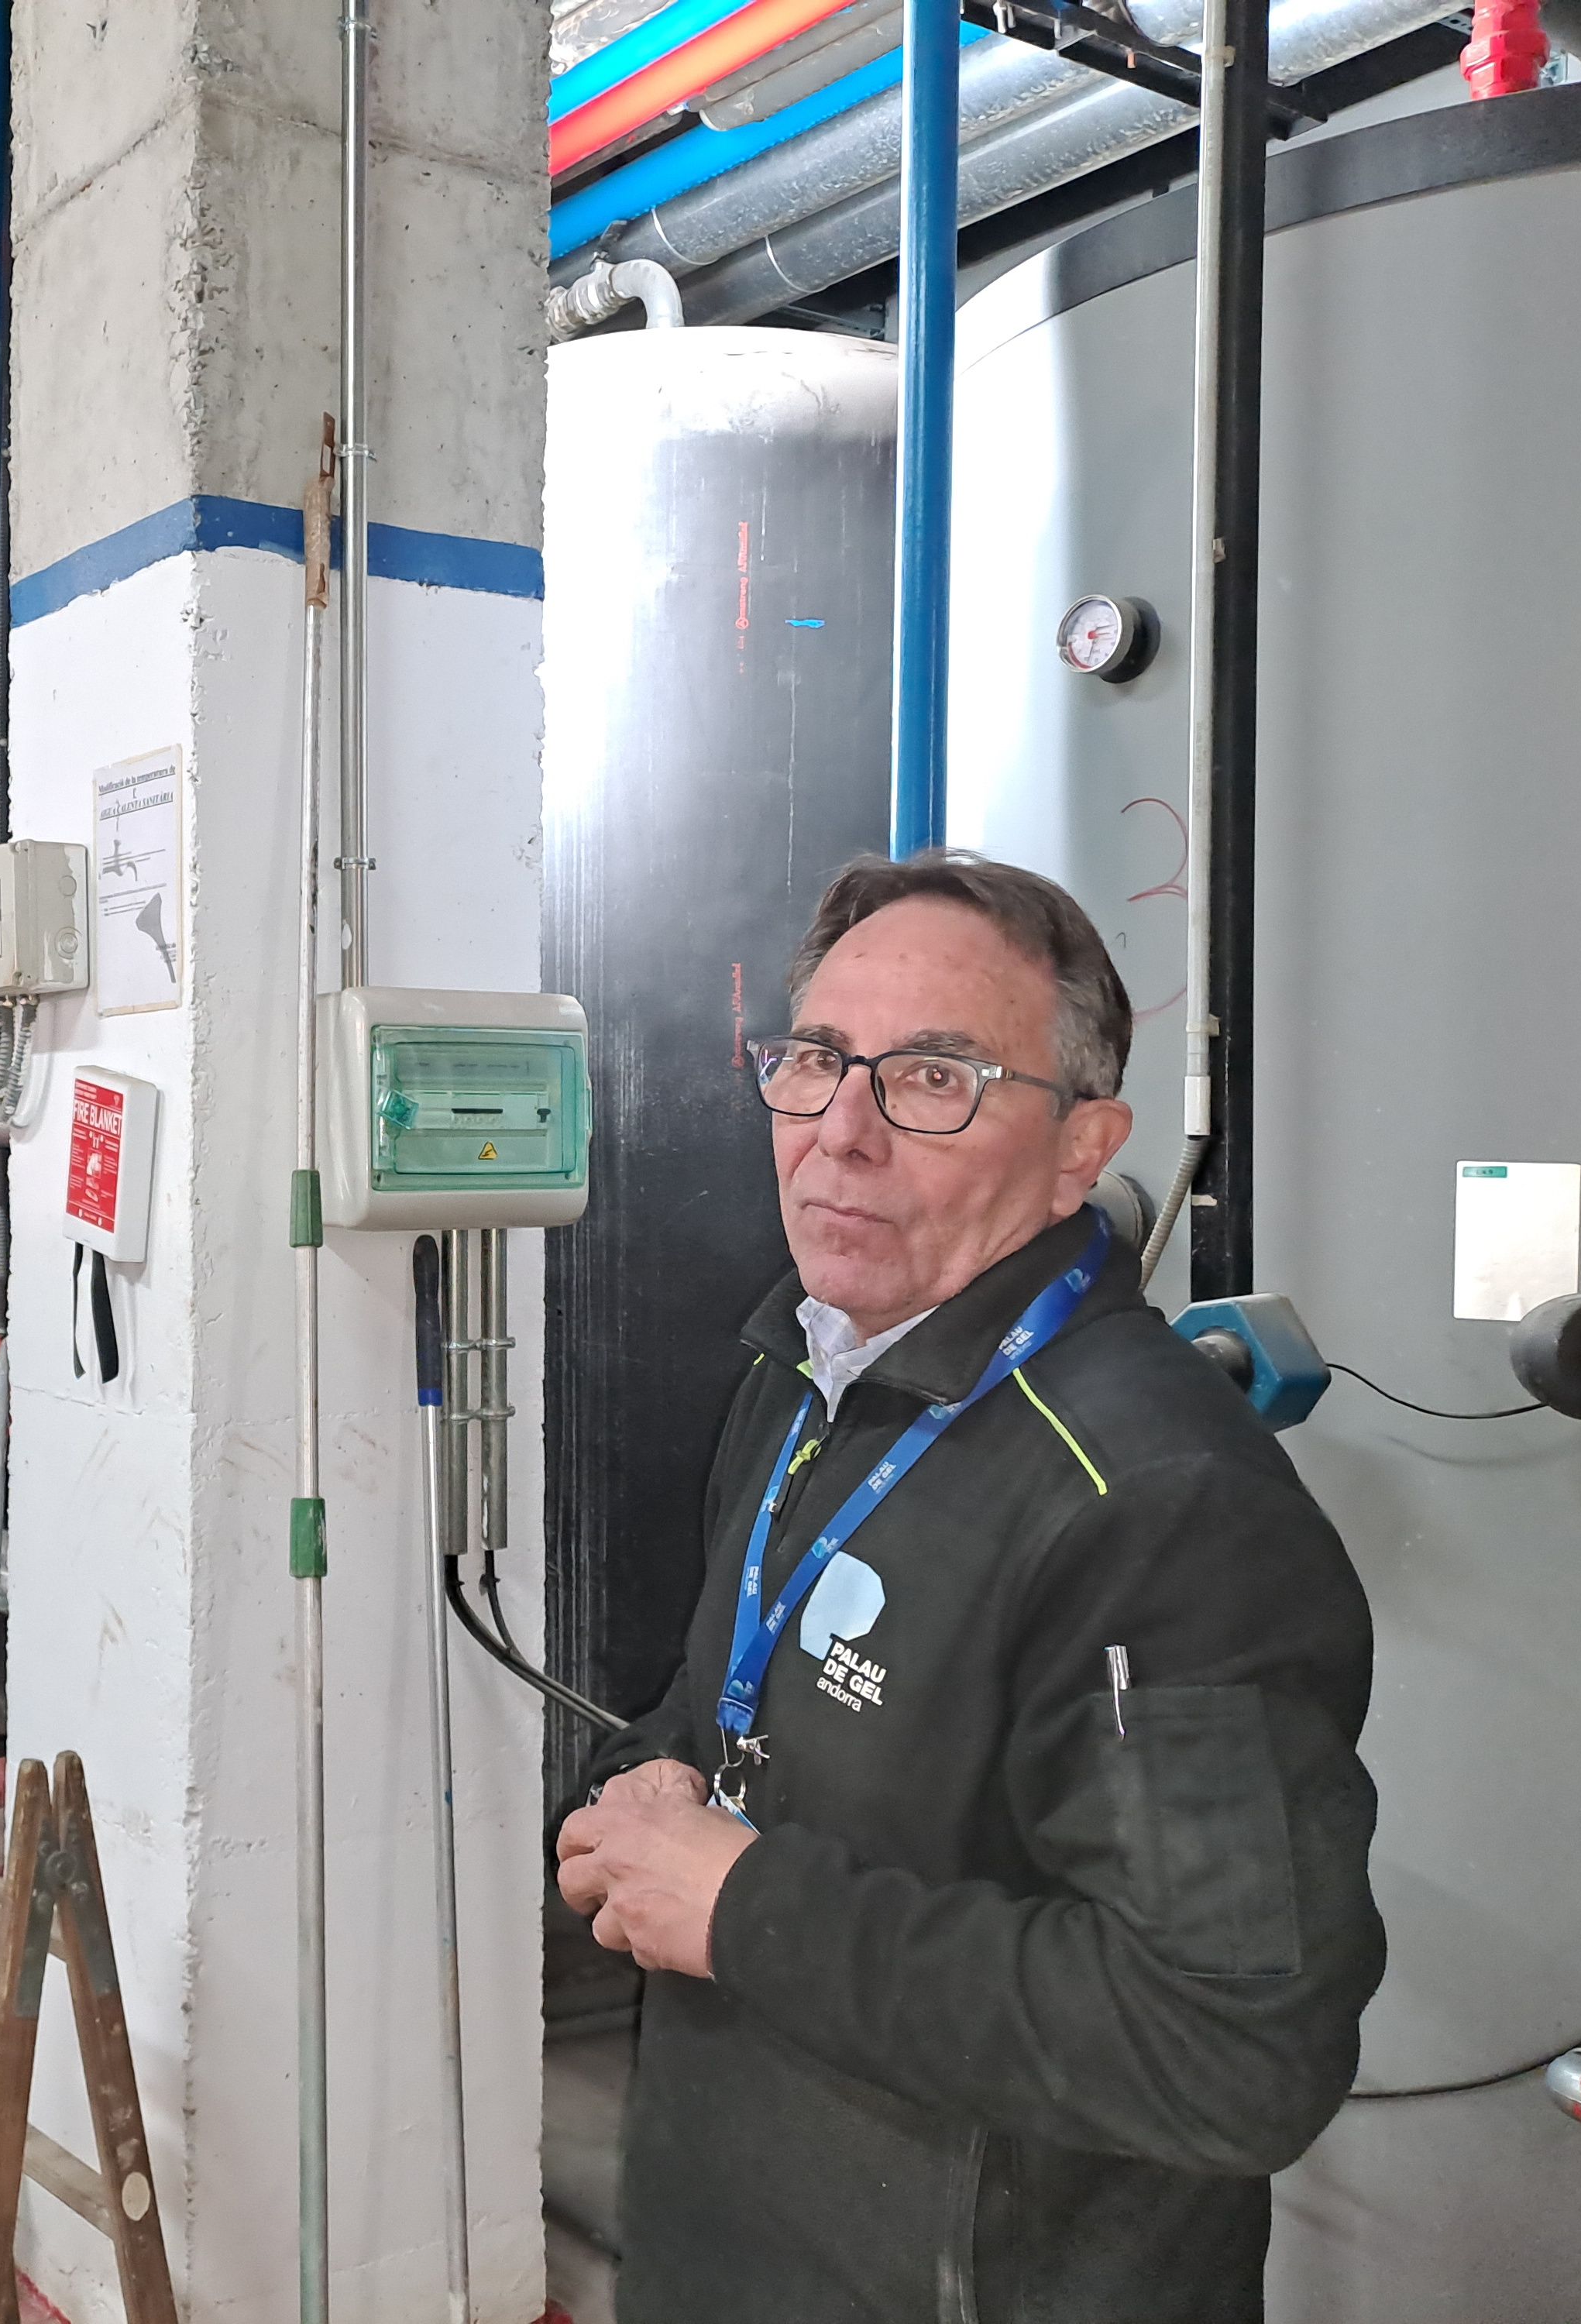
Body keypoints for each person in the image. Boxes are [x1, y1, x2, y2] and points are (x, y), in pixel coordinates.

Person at [555, 852, 1383, 2324]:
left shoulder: (1159, 1506)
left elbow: (1232, 2051)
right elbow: (729, 1700)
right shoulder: (810, 1367)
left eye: (932, 1078)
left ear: (1084, 1146)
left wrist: (743, 1906)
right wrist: (649, 1795)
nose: (839, 1136)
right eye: (813, 1064)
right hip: (732, 2236)